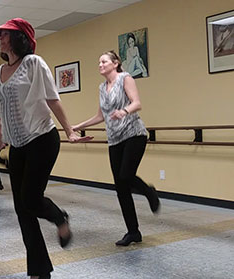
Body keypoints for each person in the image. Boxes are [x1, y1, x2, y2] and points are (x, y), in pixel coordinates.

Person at [0, 18, 92, 279]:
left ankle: (60, 217)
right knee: (22, 210)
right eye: (0, 34)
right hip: (19, 145)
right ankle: (39, 271)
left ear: (19, 38)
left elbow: (52, 98)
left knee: (31, 198)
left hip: (43, 139)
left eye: (6, 34)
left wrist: (69, 130)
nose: (0, 38)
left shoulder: (34, 63)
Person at [72, 50, 160, 247]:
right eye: (99, 62)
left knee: (126, 175)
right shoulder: (102, 88)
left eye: (104, 61)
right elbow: (100, 116)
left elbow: (137, 103)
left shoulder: (125, 78)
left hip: (134, 134)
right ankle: (133, 232)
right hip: (114, 139)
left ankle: (149, 192)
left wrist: (124, 111)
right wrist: (77, 126)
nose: (100, 65)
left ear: (115, 63)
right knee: (121, 187)